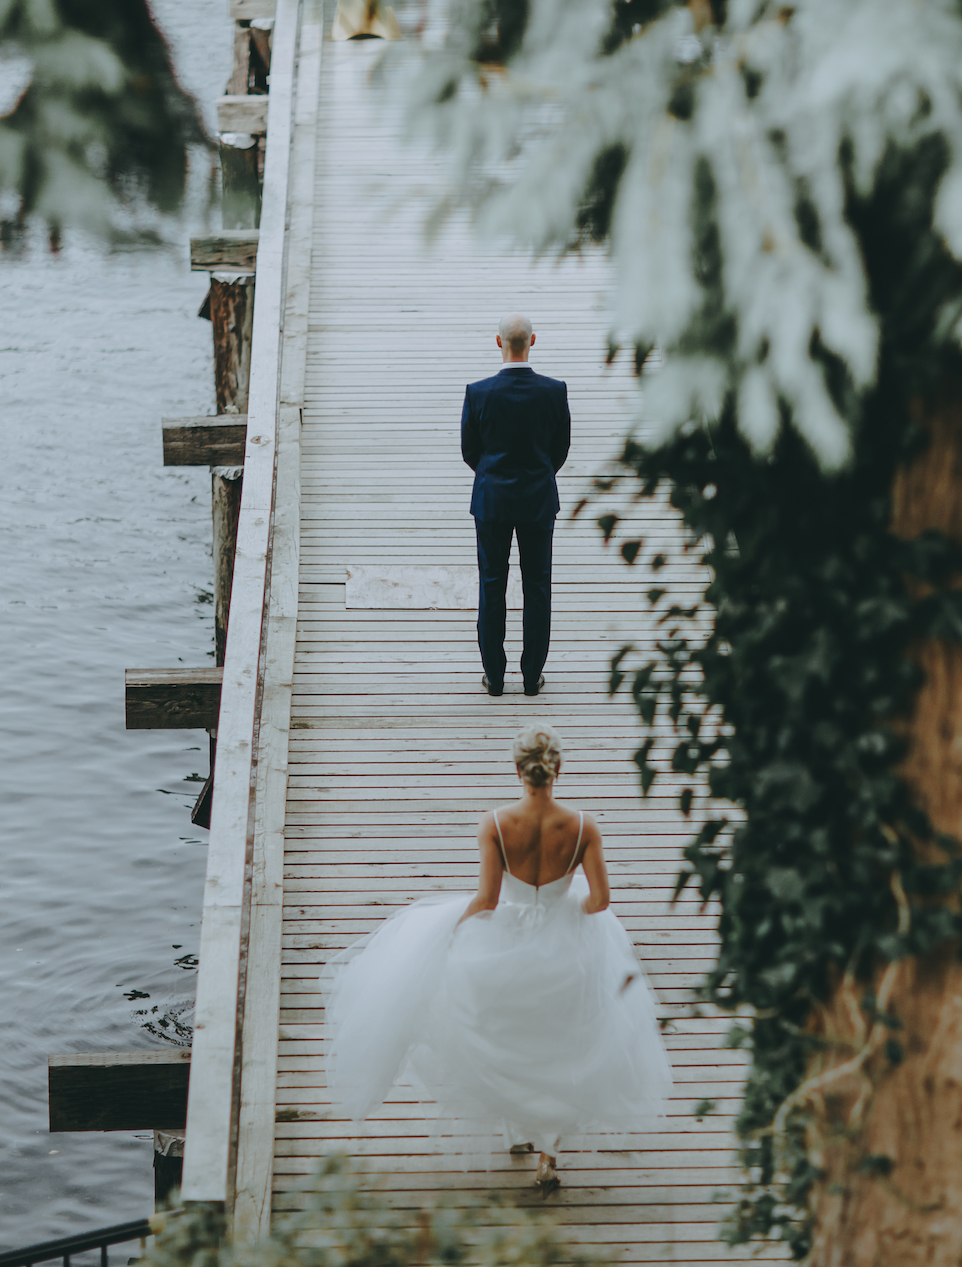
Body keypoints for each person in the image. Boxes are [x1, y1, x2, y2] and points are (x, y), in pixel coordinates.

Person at [318, 724, 672, 1188]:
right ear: (558, 769)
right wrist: (571, 912)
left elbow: (487, 899)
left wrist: (451, 930)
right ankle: (549, 1152)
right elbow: (600, 900)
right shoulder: (584, 827)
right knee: (563, 1041)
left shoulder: (496, 824)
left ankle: (516, 1131)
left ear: (518, 770)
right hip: (565, 945)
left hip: (506, 942)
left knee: (509, 1037)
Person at [461, 314, 571, 697]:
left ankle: (494, 677)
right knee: (537, 586)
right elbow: (560, 449)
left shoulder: (478, 392)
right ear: (533, 341)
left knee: (492, 585)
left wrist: (493, 475)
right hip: (539, 500)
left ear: (498, 342)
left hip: (492, 500)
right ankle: (531, 677)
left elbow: (470, 451)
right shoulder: (554, 391)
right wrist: (539, 474)